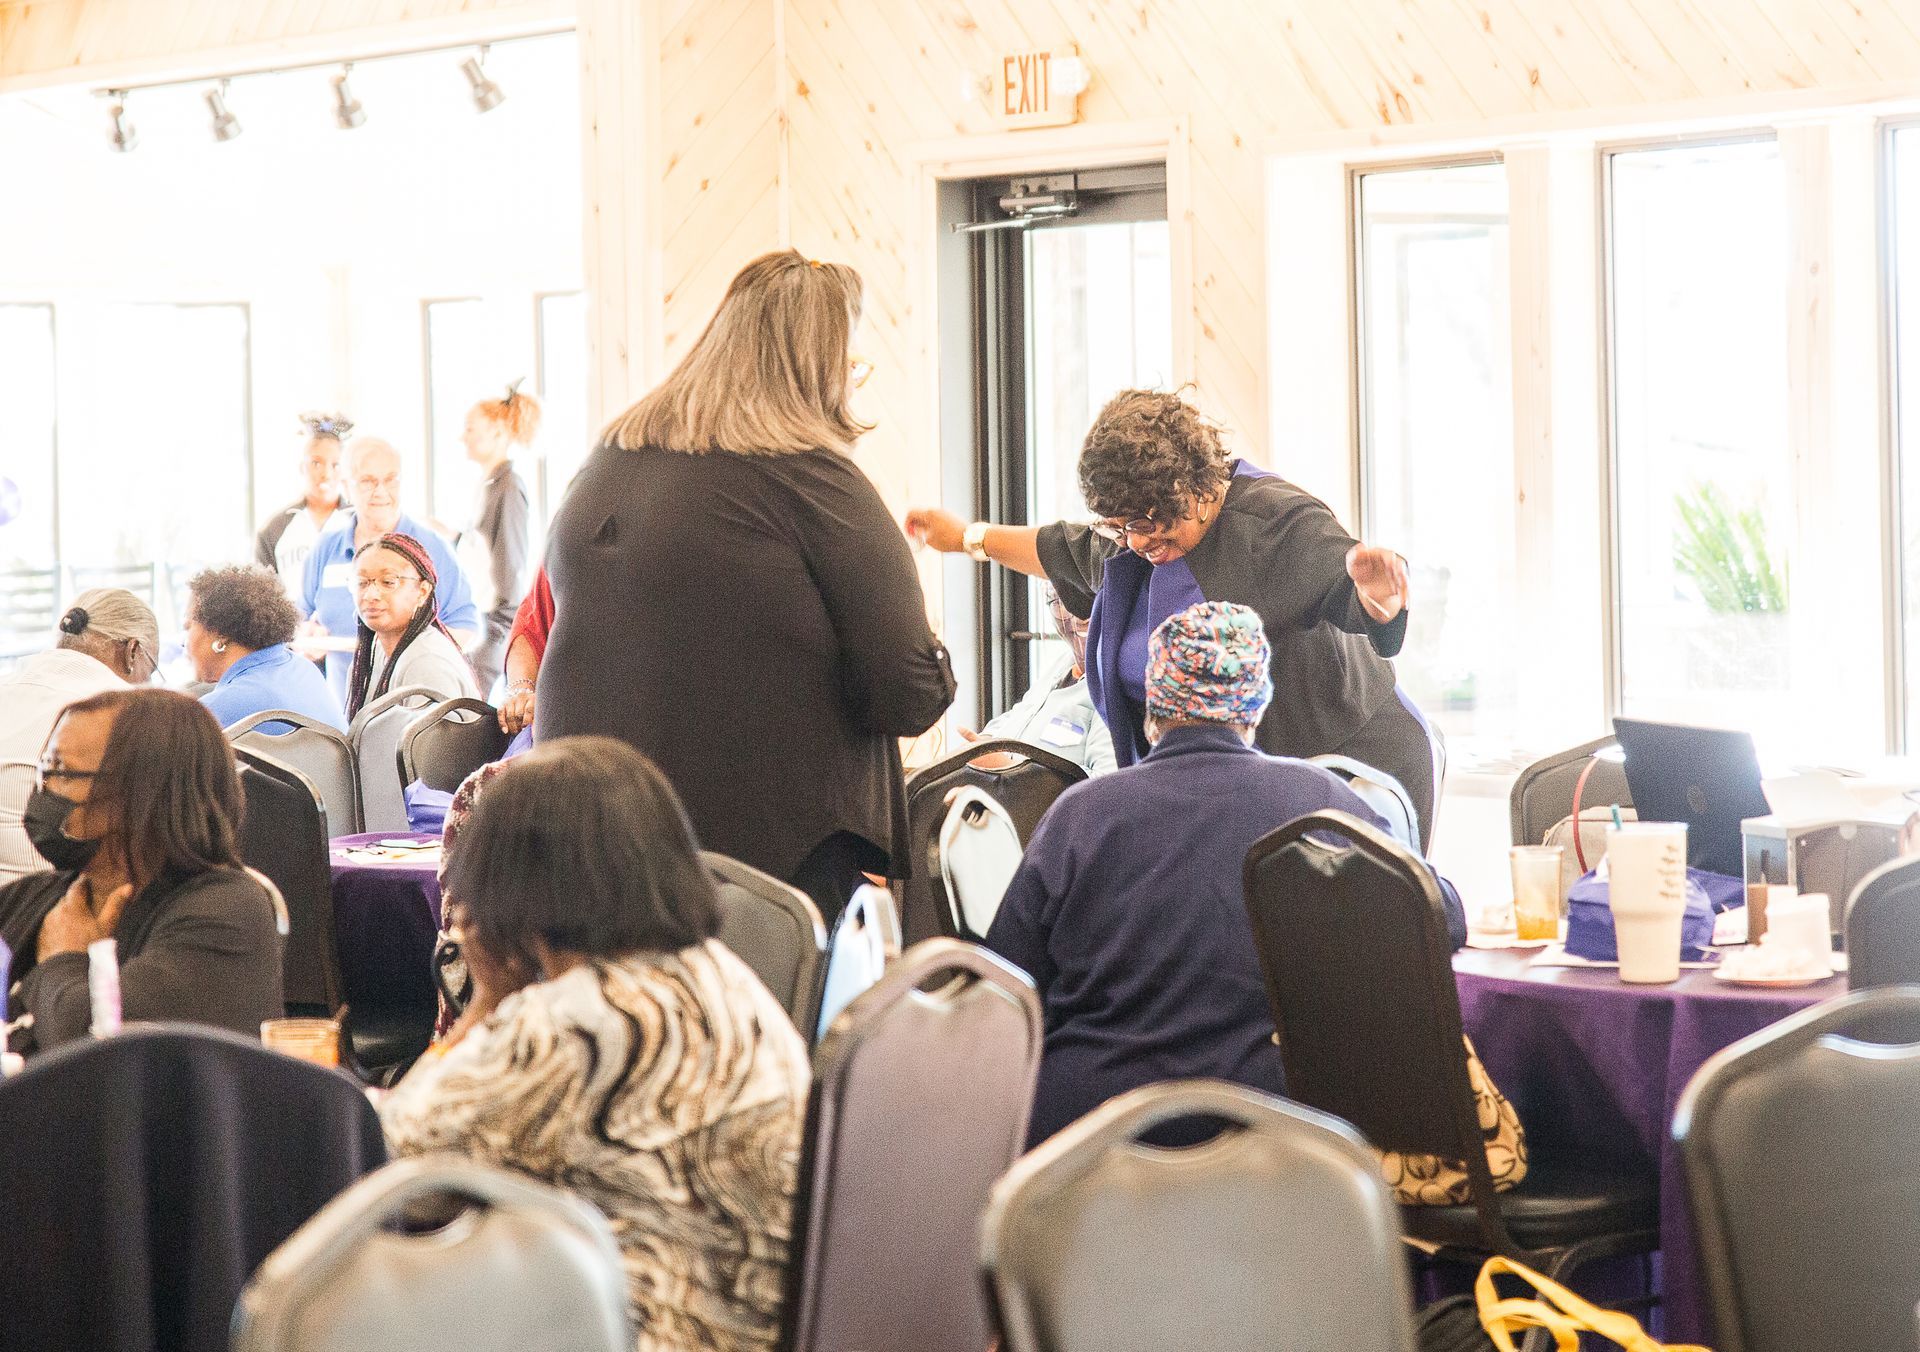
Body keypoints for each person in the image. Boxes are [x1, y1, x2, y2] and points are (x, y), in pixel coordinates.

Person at [536, 250, 954, 925]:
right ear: (817, 367)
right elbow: (907, 692)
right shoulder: (812, 482)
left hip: (587, 844)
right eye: (851, 364)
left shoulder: (602, 467)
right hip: (758, 870)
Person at [381, 737, 810, 1352]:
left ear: (513, 888)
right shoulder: (715, 972)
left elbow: (385, 1165)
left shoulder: (572, 1024)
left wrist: (483, 1004)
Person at [984, 602, 1466, 1149]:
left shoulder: (1079, 814)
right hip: (1272, 1131)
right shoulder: (1318, 800)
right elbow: (1438, 918)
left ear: (1152, 705)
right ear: (1255, 705)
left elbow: (1002, 986)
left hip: (1087, 1131)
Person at [906, 388, 1442, 840]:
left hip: (1349, 771)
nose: (1135, 540)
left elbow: (1354, 598)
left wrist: (1381, 597)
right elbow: (1054, 547)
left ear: (1196, 487)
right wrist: (964, 538)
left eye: (1146, 520)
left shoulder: (1276, 522)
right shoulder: (1128, 545)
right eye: (1119, 525)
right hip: (1219, 792)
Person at [0, 688, 284, 1053]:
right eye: (45, 771)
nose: (45, 791)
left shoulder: (224, 914)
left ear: (142, 792)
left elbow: (103, 1053)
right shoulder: (39, 896)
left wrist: (60, 959)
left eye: (64, 774)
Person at [298, 436, 479, 702]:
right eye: (368, 481)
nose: (381, 491)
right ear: (347, 486)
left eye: (391, 479)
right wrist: (308, 637)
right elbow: (300, 617)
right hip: (345, 703)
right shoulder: (327, 547)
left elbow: (465, 624)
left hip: (415, 699)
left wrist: (408, 658)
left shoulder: (431, 547)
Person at [0, 589, 155, 887]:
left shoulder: (8, 684)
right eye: (153, 666)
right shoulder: (118, 709)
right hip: (52, 896)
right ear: (133, 651)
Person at [964, 585, 1117, 777]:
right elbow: (1021, 714)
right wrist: (985, 741)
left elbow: (1106, 784)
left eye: (1088, 601)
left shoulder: (1113, 686)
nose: (1077, 617)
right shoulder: (1061, 665)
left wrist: (1011, 772)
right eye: (1060, 603)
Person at [185, 565, 345, 732]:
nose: (185, 642)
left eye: (188, 626)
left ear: (220, 634)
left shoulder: (211, 712)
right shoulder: (304, 669)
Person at [343, 532, 480, 721]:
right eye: (361, 583)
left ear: (422, 592)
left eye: (388, 582)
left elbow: (430, 750)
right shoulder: (373, 652)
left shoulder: (426, 662)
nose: (370, 595)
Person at [458, 382, 538, 693]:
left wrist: (497, 633)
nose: (462, 437)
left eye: (470, 428)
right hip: (481, 624)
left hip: (493, 629)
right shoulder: (489, 485)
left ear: (498, 431)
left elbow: (510, 566)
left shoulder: (509, 487)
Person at [255, 412, 352, 597]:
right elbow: (263, 599)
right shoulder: (273, 530)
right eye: (316, 463)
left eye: (335, 465)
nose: (326, 474)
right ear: (302, 467)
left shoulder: (358, 522)